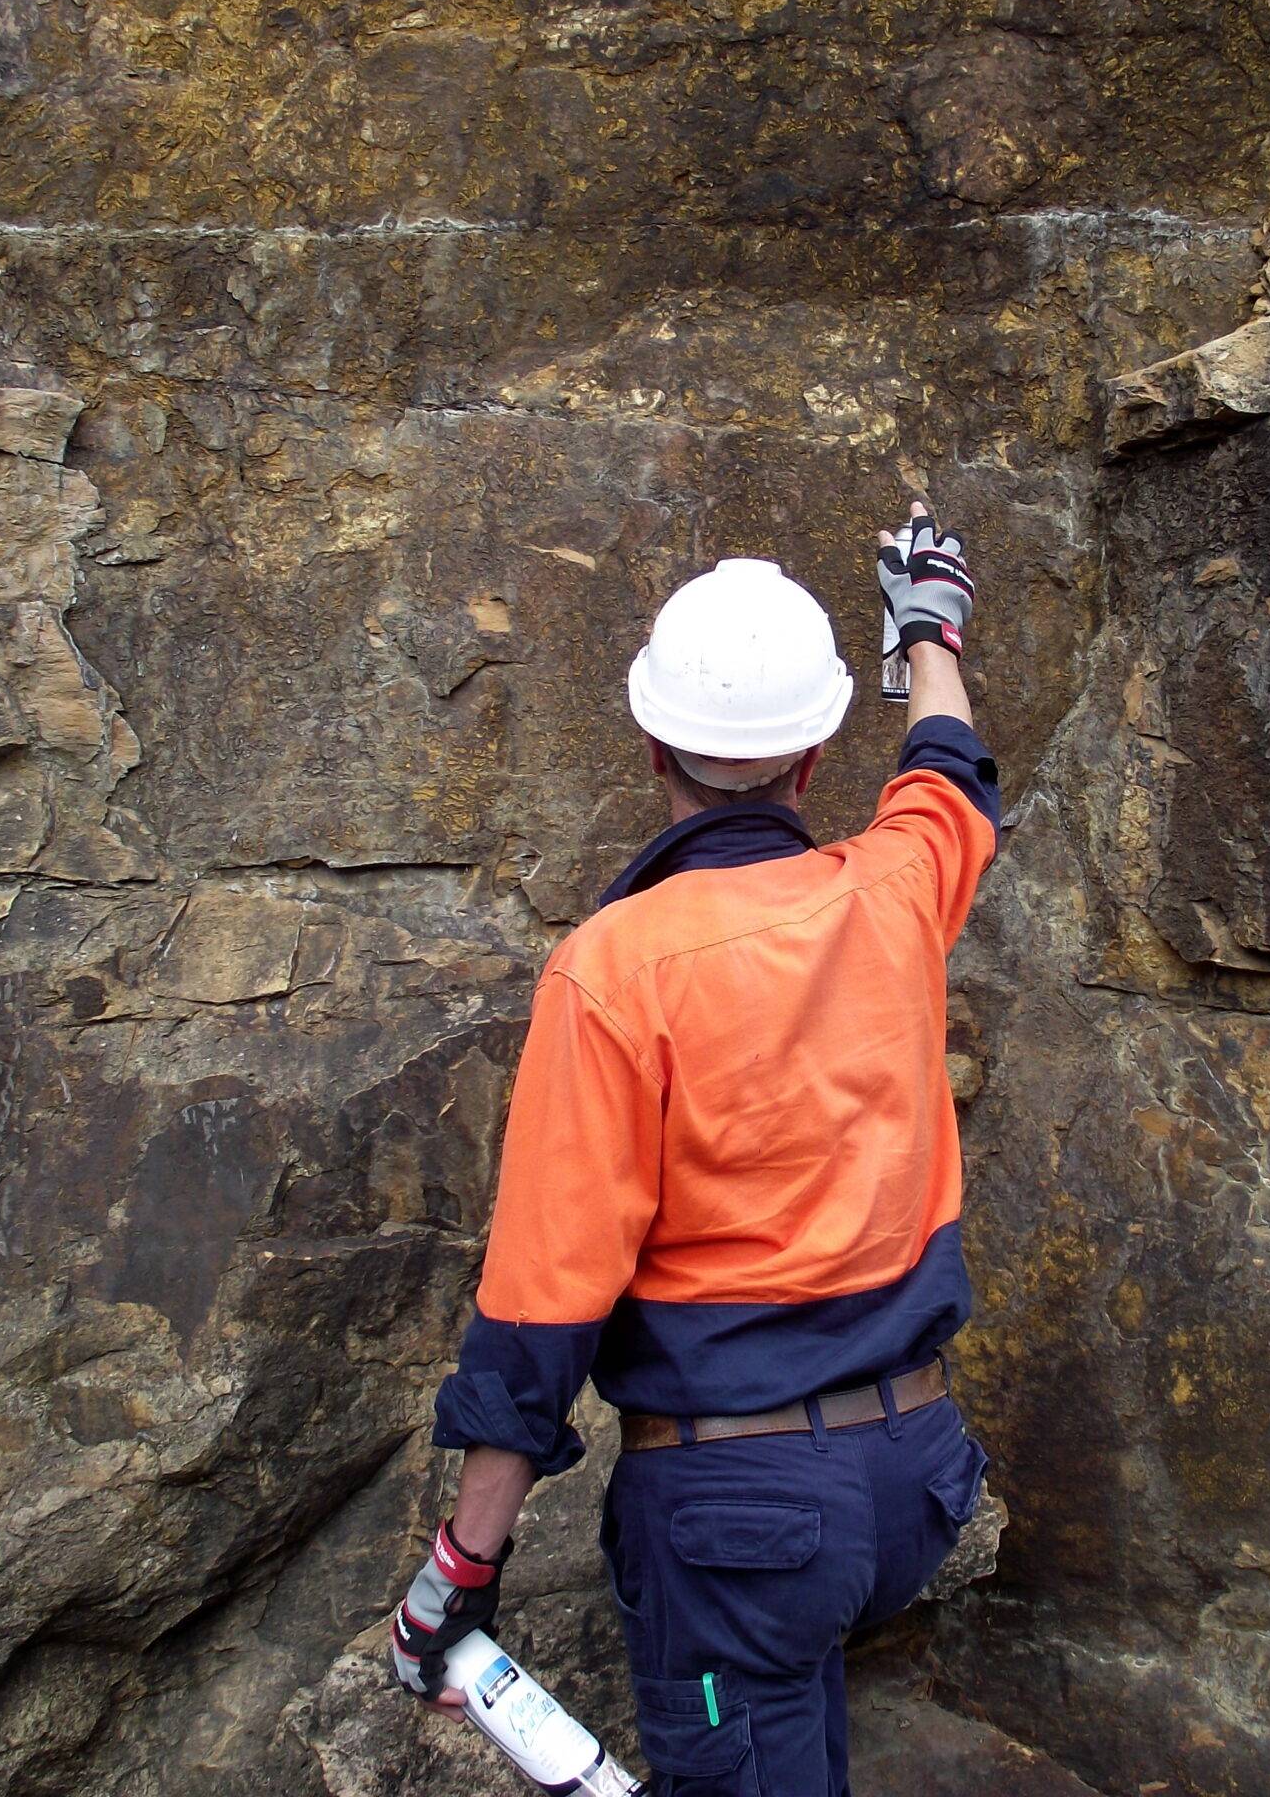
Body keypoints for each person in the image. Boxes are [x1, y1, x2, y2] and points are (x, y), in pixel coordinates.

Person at [391, 502, 998, 1797]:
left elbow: (541, 1316)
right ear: (818, 754)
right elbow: (950, 768)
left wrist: (463, 1568)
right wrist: (929, 620)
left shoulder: (616, 973)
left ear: (652, 741)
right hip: (917, 1486)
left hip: (742, 1532)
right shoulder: (897, 895)